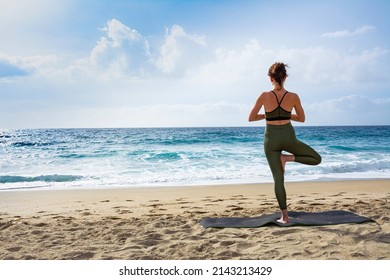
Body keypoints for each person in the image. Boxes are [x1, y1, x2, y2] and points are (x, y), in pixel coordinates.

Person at [248, 62, 321, 223]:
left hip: (271, 141)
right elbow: (301, 119)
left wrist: (268, 115)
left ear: (270, 78)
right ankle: (288, 158)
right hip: (289, 138)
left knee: (278, 179)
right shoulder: (293, 96)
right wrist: (286, 115)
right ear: (285, 77)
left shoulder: (264, 96)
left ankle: (285, 217)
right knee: (317, 159)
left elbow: (251, 118)